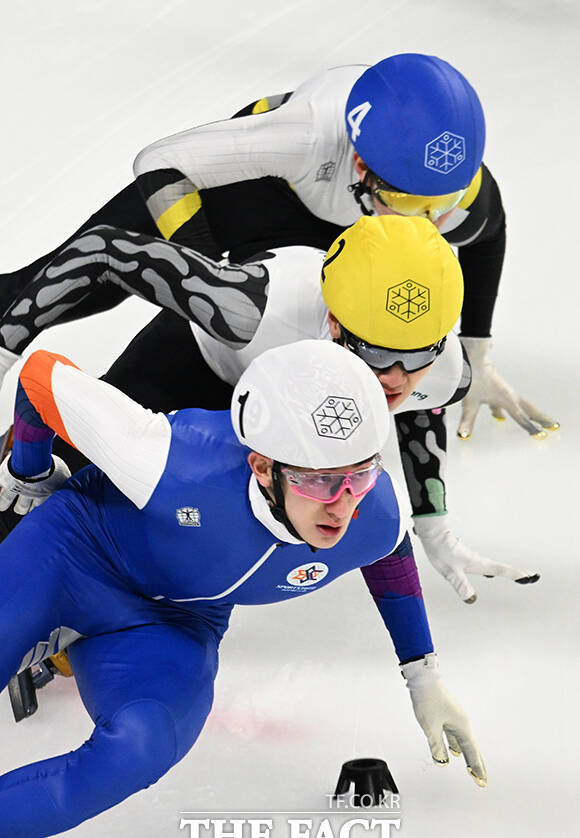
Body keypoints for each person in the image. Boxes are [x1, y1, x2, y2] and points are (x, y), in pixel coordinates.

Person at [0, 340, 485, 838]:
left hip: (171, 625)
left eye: (359, 475)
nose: (343, 505)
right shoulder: (171, 456)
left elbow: (388, 552)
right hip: (72, 555)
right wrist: (28, 473)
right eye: (319, 482)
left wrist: (422, 674)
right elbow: (41, 375)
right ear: (262, 468)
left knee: (142, 748)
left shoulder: (373, 513)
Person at [0, 53, 557, 439]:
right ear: (360, 166)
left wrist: (477, 359)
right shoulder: (310, 132)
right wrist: (201, 269)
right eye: (409, 206)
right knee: (74, 283)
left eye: (440, 206)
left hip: (327, 233)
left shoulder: (446, 195)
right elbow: (160, 162)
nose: (427, 223)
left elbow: (489, 238)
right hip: (241, 192)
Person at [0, 215, 539, 603]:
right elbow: (106, 250)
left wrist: (432, 519)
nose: (394, 378)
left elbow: (421, 407)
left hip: (289, 413)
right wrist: (8, 343)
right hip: (200, 367)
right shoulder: (248, 307)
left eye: (417, 354)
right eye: (374, 352)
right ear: (332, 321)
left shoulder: (445, 371)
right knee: (69, 468)